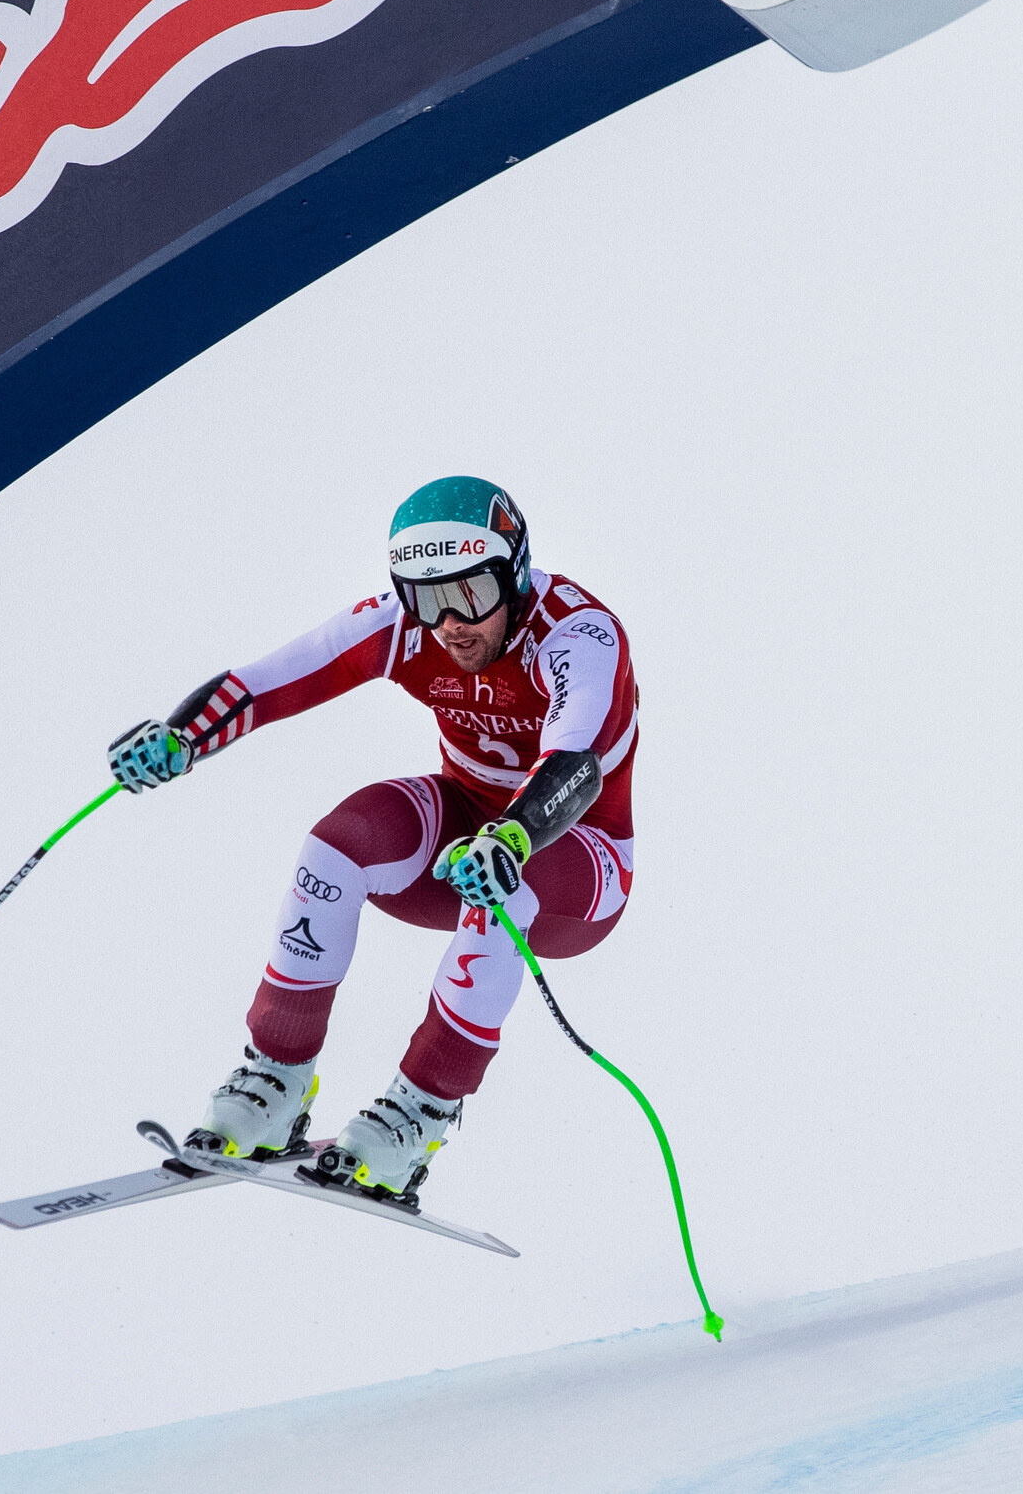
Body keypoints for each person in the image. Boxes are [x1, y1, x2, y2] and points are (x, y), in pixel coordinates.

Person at [104, 477, 640, 1203]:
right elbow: (267, 683)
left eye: (472, 593)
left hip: (579, 860)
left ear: (514, 572)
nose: (450, 623)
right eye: (426, 597)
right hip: (467, 840)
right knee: (336, 846)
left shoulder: (578, 633)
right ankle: (276, 1077)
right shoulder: (408, 628)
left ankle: (421, 1111)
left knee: (504, 886)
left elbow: (576, 760)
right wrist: (181, 737)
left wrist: (513, 836)